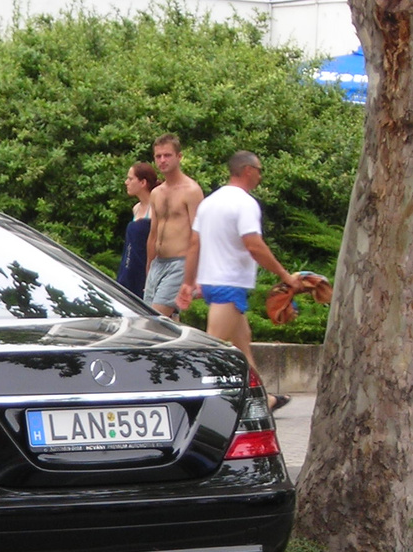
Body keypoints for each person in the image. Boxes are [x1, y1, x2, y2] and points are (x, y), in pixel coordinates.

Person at [176, 151, 309, 412]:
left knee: (242, 346)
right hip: (229, 284)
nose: (260, 175)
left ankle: (263, 399)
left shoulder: (210, 202)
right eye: (259, 170)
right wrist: (285, 277)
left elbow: (194, 244)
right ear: (248, 170)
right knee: (212, 348)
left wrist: (189, 282)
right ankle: (183, 402)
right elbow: (254, 246)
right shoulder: (245, 204)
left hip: (213, 284)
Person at [143, 134, 205, 315]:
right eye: (158, 156)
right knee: (164, 321)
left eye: (167, 155)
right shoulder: (156, 193)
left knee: (154, 319)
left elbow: (199, 235)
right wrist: (149, 267)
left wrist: (195, 275)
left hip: (180, 263)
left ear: (179, 156)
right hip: (158, 263)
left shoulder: (191, 191)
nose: (162, 160)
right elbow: (153, 233)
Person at [115, 161, 159, 297]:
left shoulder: (156, 208)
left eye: (130, 179)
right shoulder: (136, 208)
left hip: (145, 269)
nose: (126, 182)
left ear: (143, 182)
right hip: (129, 267)